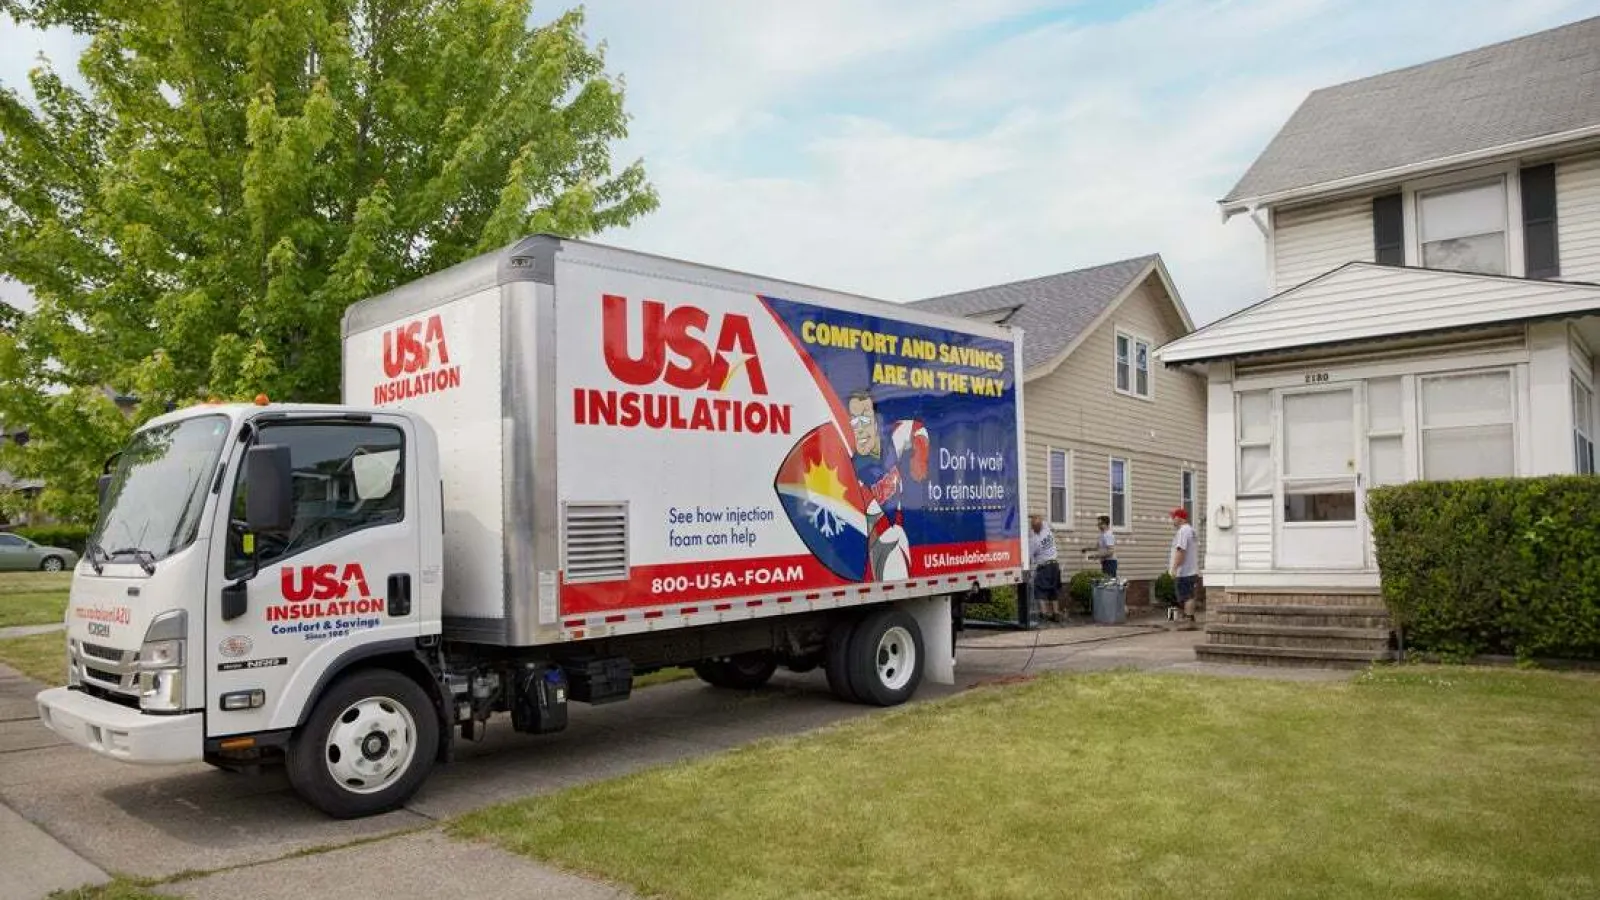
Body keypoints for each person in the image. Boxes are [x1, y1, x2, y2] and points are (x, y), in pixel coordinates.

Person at [1168, 508, 1200, 629]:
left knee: (1187, 597)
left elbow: (1181, 551)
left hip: (1185, 571)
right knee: (1188, 595)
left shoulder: (1183, 531)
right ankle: (1189, 619)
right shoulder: (1191, 530)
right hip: (1191, 569)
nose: (1172, 520)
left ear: (1180, 518)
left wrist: (1174, 568)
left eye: (1174, 517)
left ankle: (1188, 621)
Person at [1028, 513, 1062, 622]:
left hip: (1045, 567)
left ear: (1033, 528)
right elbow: (1041, 518)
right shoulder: (1046, 529)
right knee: (1053, 589)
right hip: (1055, 565)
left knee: (1040, 589)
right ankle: (1056, 614)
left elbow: (1029, 557)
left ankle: (1044, 614)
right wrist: (1032, 515)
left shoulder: (1034, 540)